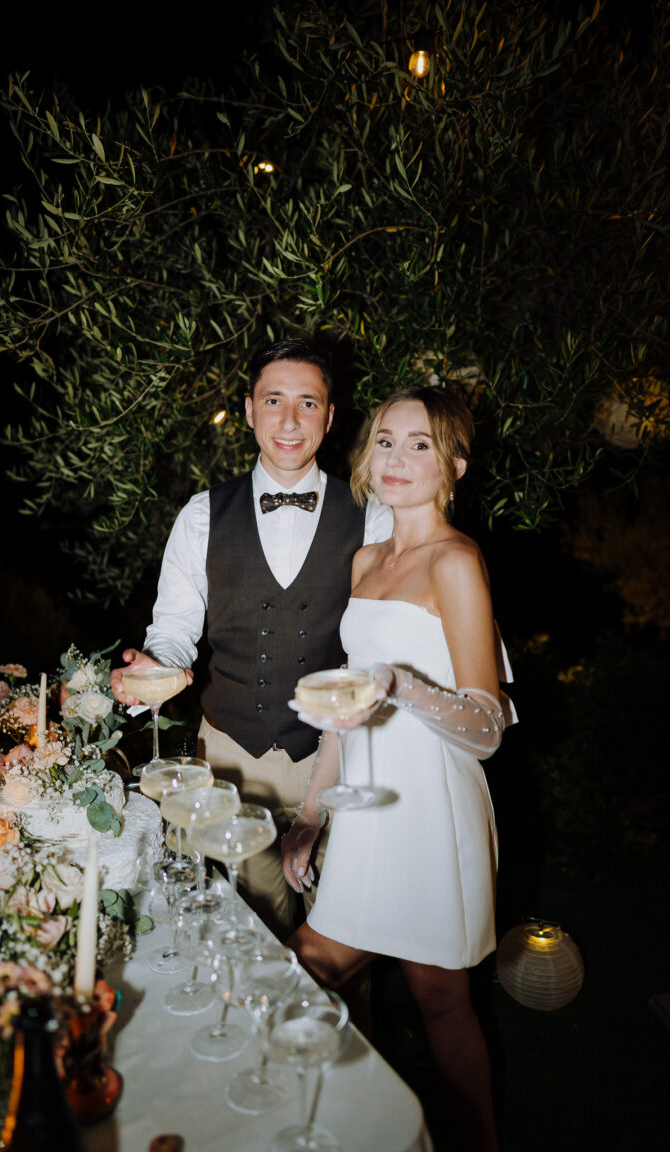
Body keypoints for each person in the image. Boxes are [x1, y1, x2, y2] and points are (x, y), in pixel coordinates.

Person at [281, 385, 514, 1152]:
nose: (397, 459)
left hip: (432, 804)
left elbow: (485, 728)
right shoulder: (366, 560)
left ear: (454, 464)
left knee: (440, 998)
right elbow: (349, 706)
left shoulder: (456, 562)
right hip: (367, 806)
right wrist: (314, 814)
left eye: (420, 444)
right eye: (385, 440)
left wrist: (403, 685)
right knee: (311, 965)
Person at [111, 338, 391, 937]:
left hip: (340, 760)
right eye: (273, 401)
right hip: (232, 764)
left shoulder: (373, 515)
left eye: (308, 403)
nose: (289, 421)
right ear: (248, 410)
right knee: (252, 936)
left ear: (331, 416)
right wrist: (149, 671)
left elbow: (385, 645)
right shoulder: (201, 515)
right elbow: (175, 633)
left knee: (346, 941)